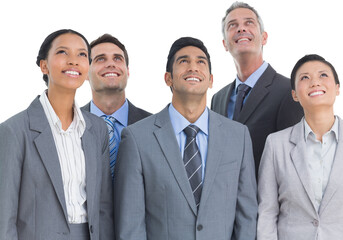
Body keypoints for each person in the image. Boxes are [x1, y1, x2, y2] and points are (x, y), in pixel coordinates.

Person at [114, 37, 257, 240]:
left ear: (211, 79)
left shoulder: (238, 136)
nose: (193, 67)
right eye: (183, 61)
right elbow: (131, 225)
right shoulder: (137, 138)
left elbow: (247, 217)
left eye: (201, 62)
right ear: (168, 78)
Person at [0, 29, 114, 240]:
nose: (73, 61)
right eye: (63, 52)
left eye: (81, 55)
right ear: (44, 65)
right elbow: (4, 217)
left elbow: (103, 206)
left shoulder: (97, 129)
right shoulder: (14, 131)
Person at [257, 54, 343, 239]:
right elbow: (267, 213)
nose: (315, 82)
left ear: (337, 88)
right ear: (294, 94)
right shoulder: (276, 144)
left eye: (323, 75)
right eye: (305, 78)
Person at [211, 2, 303, 175]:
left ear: (264, 37)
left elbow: (292, 163)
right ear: (225, 44)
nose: (240, 29)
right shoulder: (218, 98)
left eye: (249, 23)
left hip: (265, 199)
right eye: (233, 25)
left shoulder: (288, 91)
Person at [82, 33, 151, 178]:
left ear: (127, 71)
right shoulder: (70, 124)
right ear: (86, 73)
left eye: (117, 58)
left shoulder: (154, 127)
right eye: (100, 59)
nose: (110, 64)